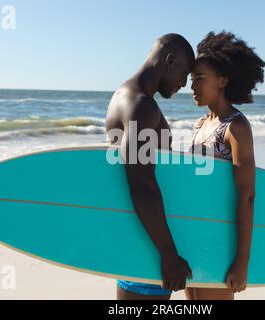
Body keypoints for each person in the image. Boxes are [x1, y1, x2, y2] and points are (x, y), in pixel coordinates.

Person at [105, 33, 195, 300]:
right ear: (170, 60)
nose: (185, 84)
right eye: (185, 73)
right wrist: (168, 254)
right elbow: (141, 184)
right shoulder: (141, 106)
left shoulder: (125, 96)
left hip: (139, 240)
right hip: (152, 249)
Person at [185, 31, 265, 300]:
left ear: (222, 79)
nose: (192, 86)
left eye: (199, 78)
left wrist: (242, 263)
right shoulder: (199, 125)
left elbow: (247, 196)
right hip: (193, 234)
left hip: (218, 239)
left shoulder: (236, 127)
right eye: (191, 79)